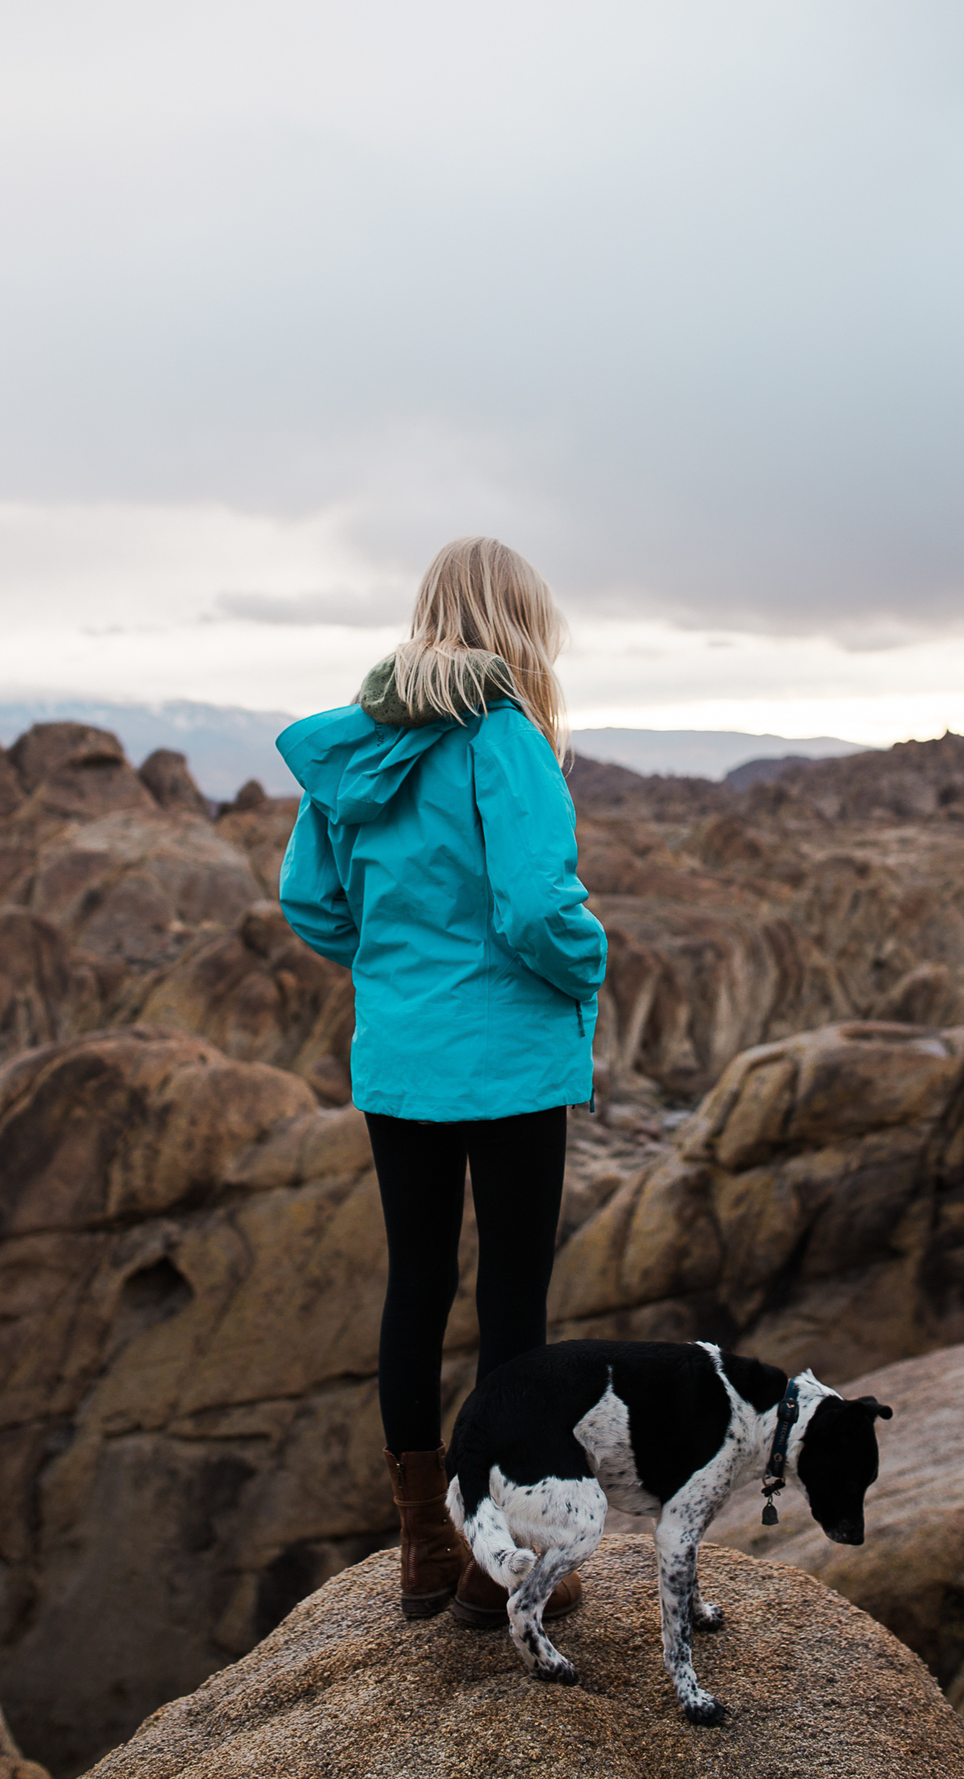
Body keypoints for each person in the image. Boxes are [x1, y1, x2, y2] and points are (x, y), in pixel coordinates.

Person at [275, 536, 607, 1626]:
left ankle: (423, 1549)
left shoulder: (352, 750)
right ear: (516, 623)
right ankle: (495, 1557)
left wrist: (402, 970)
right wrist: (589, 960)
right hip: (509, 1063)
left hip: (402, 1065)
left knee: (416, 1288)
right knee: (513, 1296)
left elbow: (313, 904)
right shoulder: (504, 739)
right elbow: (532, 907)